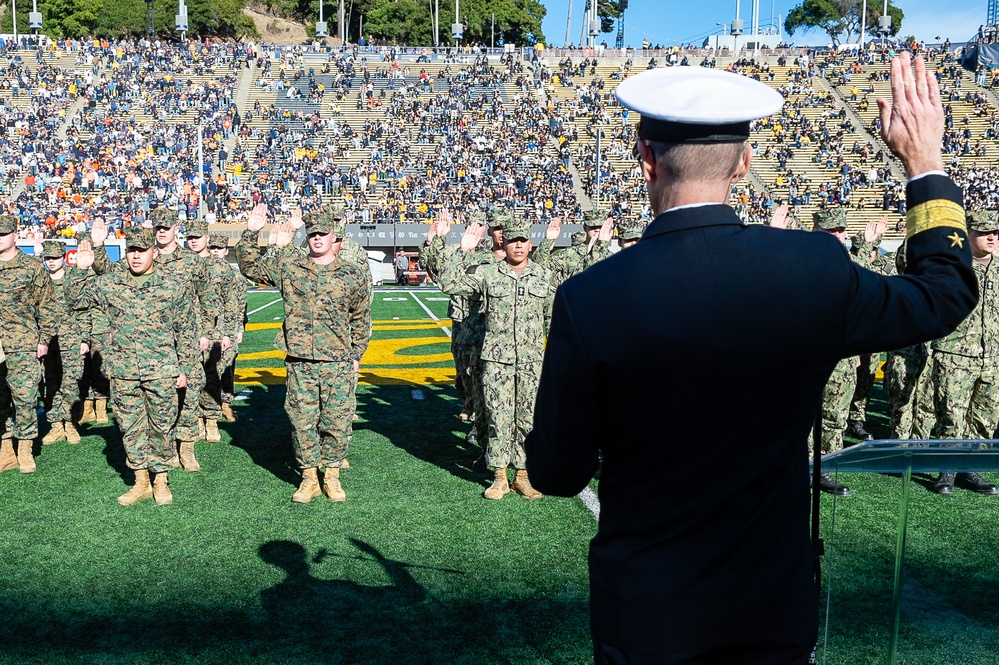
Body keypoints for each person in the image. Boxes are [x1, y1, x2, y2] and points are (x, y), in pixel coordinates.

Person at [525, 55, 978, 663]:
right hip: (769, 607)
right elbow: (944, 295)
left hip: (648, 613)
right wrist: (924, 164)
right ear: (743, 163)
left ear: (646, 159)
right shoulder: (813, 268)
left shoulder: (590, 296)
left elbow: (557, 475)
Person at [235, 204, 371, 504]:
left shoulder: (352, 274)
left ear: (334, 236)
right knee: (302, 422)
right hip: (300, 361)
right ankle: (309, 476)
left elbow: (361, 317)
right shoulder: (290, 267)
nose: (318, 238)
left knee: (337, 421)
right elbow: (250, 267)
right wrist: (252, 232)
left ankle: (332, 475)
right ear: (306, 237)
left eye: (323, 233)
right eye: (312, 234)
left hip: (338, 361)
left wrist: (356, 353)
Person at [71, 227, 200, 506]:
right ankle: (141, 481)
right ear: (126, 253)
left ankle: (161, 480)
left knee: (162, 427)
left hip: (162, 370)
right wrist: (81, 271)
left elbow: (186, 331)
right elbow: (73, 301)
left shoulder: (172, 285)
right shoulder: (111, 284)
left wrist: (186, 370)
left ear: (153, 252)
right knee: (130, 427)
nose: (136, 256)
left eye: (142, 251)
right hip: (124, 370)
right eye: (132, 251)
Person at [437, 216, 557, 500]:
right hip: (496, 361)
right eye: (513, 240)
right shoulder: (489, 273)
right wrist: (463, 249)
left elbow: (554, 319)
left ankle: (523, 476)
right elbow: (448, 283)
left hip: (531, 362)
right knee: (498, 418)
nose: (518, 245)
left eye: (523, 241)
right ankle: (500, 476)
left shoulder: (544, 276)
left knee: (528, 419)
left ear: (530, 244)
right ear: (505, 244)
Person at [926, 209, 999, 495]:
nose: (991, 237)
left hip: (993, 356)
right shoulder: (952, 266)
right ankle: (947, 471)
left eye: (995, 232)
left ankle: (971, 469)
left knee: (985, 417)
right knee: (951, 415)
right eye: (984, 232)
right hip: (956, 354)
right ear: (968, 234)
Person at [0, 214, 57, 474]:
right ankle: (6, 451)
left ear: (14, 234)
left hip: (23, 343)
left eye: (3, 234)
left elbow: (47, 305)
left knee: (24, 398)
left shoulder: (31, 267)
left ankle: (25, 449)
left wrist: (43, 339)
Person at [36, 239, 89, 447]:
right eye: (47, 258)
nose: (51, 262)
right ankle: (55, 424)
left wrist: (84, 339)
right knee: (50, 383)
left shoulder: (73, 280)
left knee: (70, 383)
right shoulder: (39, 281)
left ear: (63, 258)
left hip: (71, 339)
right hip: (47, 341)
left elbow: (83, 312)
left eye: (55, 258)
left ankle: (70, 423)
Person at [207, 233, 247, 423]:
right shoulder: (202, 271)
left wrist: (239, 328)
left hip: (229, 327)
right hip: (208, 328)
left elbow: (240, 304)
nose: (215, 251)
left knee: (228, 368)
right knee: (209, 368)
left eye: (219, 248)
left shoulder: (235, 276)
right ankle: (209, 408)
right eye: (212, 248)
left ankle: (226, 404)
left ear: (225, 251)